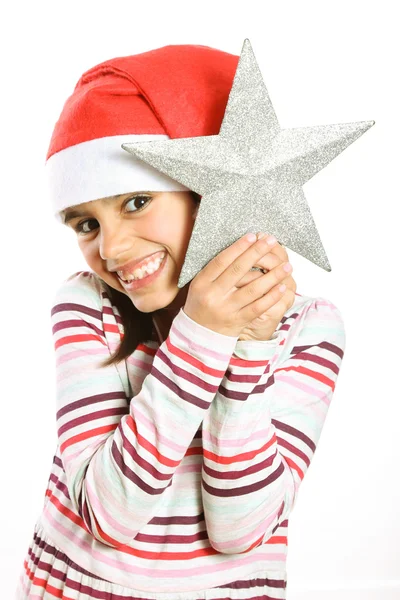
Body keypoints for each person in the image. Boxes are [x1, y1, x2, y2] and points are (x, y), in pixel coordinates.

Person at [15, 43, 346, 600]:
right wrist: (203, 333)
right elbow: (106, 516)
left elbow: (240, 531)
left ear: (213, 188)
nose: (112, 248)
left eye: (137, 201)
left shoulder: (309, 327)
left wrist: (248, 344)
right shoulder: (85, 306)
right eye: (84, 224)